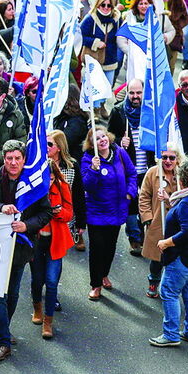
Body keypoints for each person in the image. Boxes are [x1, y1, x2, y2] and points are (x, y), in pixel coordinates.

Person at [0, 140, 53, 361]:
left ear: (24, 159)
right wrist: (0, 208)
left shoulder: (33, 182)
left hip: (21, 246)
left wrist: (27, 226)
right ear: (4, 159)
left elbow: (46, 213)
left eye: (17, 158)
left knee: (13, 292)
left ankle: (4, 331)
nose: (13, 162)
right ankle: (4, 342)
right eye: (9, 158)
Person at [80, 126, 137, 301]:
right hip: (97, 212)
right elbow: (87, 186)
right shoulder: (87, 159)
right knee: (97, 248)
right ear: (91, 144)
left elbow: (132, 174)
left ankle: (104, 274)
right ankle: (95, 284)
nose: (102, 140)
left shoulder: (119, 152)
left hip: (117, 209)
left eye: (103, 136)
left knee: (110, 247)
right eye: (97, 138)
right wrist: (94, 170)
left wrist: (130, 193)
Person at [148, 156, 188, 346]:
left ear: (182, 180)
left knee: (168, 292)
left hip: (181, 259)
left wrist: (167, 242)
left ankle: (171, 334)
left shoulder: (186, 203)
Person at [28, 160, 74, 340]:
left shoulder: (63, 187)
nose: (49, 182)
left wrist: (59, 212)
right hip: (37, 240)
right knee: (37, 279)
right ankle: (37, 307)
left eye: (52, 178)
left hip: (56, 240)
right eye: (46, 178)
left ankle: (48, 320)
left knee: (52, 281)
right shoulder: (32, 189)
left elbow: (69, 213)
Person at [107, 79, 151, 255]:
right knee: (131, 204)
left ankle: (143, 234)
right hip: (128, 169)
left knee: (145, 203)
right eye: (132, 93)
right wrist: (119, 141)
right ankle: (135, 238)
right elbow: (108, 140)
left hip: (147, 168)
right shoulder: (119, 111)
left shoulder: (150, 112)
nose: (135, 97)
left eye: (138, 93)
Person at [139, 148, 183, 299]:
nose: (168, 161)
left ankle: (171, 288)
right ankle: (153, 282)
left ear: (178, 158)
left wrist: (169, 199)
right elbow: (144, 196)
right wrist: (147, 218)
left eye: (172, 157)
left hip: (179, 224)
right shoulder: (152, 172)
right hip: (158, 222)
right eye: (164, 157)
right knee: (157, 257)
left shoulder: (184, 175)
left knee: (176, 257)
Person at [48, 129, 85, 252]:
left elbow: (79, 195)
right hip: (43, 219)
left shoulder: (72, 166)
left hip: (64, 217)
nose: (46, 147)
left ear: (59, 147)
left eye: (50, 144)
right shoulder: (39, 164)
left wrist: (81, 223)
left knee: (58, 253)